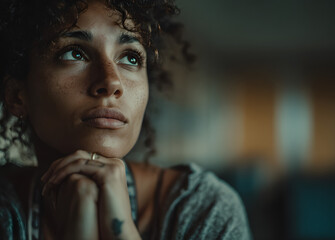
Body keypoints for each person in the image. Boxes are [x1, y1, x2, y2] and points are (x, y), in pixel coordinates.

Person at [0, 0, 252, 239]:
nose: (111, 82)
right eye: (74, 53)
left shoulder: (203, 210)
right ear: (17, 96)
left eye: (130, 58)